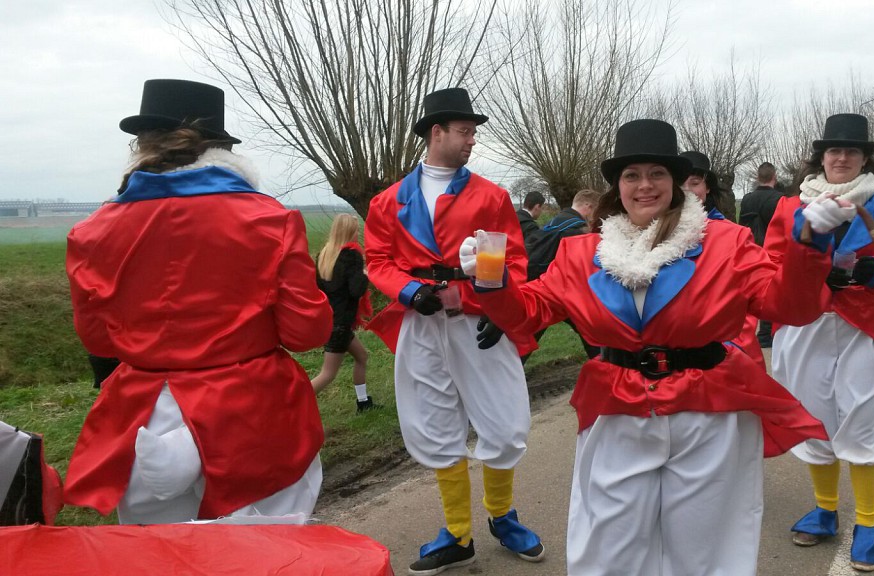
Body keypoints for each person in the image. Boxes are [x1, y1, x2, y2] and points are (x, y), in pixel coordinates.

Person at [461, 119, 849, 575]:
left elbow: (790, 306)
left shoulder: (727, 243)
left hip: (709, 414)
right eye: (632, 175)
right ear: (617, 187)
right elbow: (528, 313)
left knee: (703, 551)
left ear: (676, 183)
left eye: (656, 173)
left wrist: (810, 246)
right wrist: (491, 281)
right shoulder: (580, 254)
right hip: (618, 410)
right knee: (608, 548)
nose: (644, 185)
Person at [63, 79, 332, 524]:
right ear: (217, 148)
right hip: (249, 416)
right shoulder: (269, 218)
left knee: (160, 554)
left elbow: (98, 340)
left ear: (141, 146)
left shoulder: (92, 231)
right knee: (266, 551)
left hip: (143, 418)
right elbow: (307, 332)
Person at [362, 87, 544, 574]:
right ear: (436, 132)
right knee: (434, 422)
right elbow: (377, 260)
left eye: (473, 132)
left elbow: (514, 263)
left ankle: (502, 516)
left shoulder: (491, 196)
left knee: (504, 424)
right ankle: (458, 533)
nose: (472, 140)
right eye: (465, 131)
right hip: (421, 324)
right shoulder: (387, 202)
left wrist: (491, 307)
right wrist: (408, 292)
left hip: (477, 321)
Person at [765, 113, 874, 572]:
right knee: (814, 418)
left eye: (850, 151)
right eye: (833, 151)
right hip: (806, 325)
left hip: (867, 328)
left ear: (864, 159)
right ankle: (825, 510)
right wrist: (810, 270)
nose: (841, 158)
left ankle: (868, 525)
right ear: (821, 158)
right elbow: (771, 262)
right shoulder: (788, 209)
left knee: (865, 421)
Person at [681, 150, 766, 370]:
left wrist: (730, 347)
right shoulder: (653, 235)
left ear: (707, 187)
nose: (687, 190)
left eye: (695, 183)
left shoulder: (733, 236)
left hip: (721, 354)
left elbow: (749, 300)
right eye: (680, 184)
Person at [524, 188, 602, 360]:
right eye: (596, 211)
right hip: (565, 292)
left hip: (542, 288)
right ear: (588, 207)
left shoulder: (554, 222)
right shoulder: (578, 230)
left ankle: (511, 370)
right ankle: (607, 366)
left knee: (530, 336)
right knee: (594, 336)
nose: (596, 217)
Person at [309, 213, 374, 411]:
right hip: (341, 324)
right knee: (327, 374)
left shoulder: (324, 255)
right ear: (349, 232)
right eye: (356, 230)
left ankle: (363, 403)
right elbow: (356, 290)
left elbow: (319, 289)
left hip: (330, 320)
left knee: (362, 356)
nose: (357, 234)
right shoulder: (351, 256)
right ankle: (292, 403)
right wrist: (365, 274)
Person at [739, 161, 786, 347]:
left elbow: (742, 224)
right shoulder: (780, 199)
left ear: (758, 177)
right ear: (774, 177)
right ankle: (766, 334)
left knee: (748, 292)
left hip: (750, 249)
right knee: (769, 291)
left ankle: (745, 334)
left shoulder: (747, 199)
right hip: (771, 249)